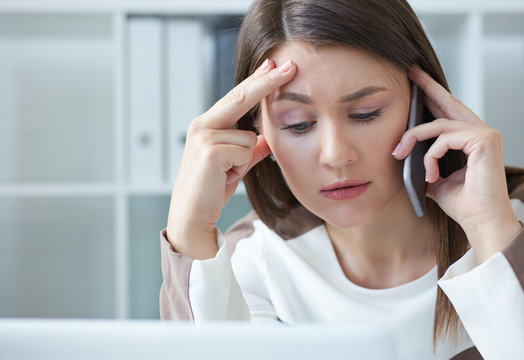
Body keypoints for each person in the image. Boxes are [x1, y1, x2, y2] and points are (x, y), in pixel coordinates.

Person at [159, 0, 524, 358]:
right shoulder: (255, 260)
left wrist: (491, 230)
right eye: (298, 124)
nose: (336, 155)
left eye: (365, 114)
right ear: (259, 130)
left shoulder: (511, 219)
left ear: (422, 104)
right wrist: (189, 233)